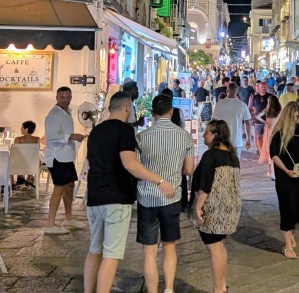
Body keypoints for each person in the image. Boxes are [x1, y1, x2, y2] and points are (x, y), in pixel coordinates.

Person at [83, 91, 174, 293]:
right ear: (126, 107)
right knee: (111, 254)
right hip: (116, 197)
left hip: (94, 196)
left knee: (94, 249)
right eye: (131, 107)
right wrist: (160, 180)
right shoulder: (124, 131)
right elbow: (130, 164)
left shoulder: (96, 131)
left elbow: (91, 164)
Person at [135, 94, 196, 293]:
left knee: (149, 252)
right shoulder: (184, 136)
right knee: (169, 247)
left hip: (147, 197)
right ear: (171, 111)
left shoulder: (142, 138)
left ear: (152, 113)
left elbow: (136, 167)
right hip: (172, 197)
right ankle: (169, 288)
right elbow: (188, 170)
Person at [193, 120, 241, 293]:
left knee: (214, 248)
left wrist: (198, 206)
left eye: (206, 132)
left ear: (215, 135)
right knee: (219, 246)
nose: (204, 135)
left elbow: (205, 184)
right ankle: (222, 285)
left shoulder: (211, 155)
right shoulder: (233, 155)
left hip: (214, 208)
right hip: (230, 207)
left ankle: (218, 288)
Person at [269, 101, 299, 258]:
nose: (297, 119)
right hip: (284, 176)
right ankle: (287, 246)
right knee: (287, 208)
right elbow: (273, 154)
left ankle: (291, 233)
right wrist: (287, 171)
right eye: (294, 117)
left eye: (298, 116)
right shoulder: (278, 133)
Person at [44, 86, 86, 234]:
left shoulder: (67, 112)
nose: (65, 100)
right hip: (57, 157)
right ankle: (50, 224)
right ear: (56, 97)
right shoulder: (53, 115)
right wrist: (72, 136)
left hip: (67, 156)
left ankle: (69, 217)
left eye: (68, 97)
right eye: (62, 97)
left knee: (69, 186)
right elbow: (51, 136)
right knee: (59, 188)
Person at [211, 83, 252, 154]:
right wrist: (248, 139)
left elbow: (213, 121)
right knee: (235, 164)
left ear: (227, 91)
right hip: (237, 141)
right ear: (237, 93)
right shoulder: (242, 105)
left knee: (222, 164)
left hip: (222, 141)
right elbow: (248, 122)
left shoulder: (220, 104)